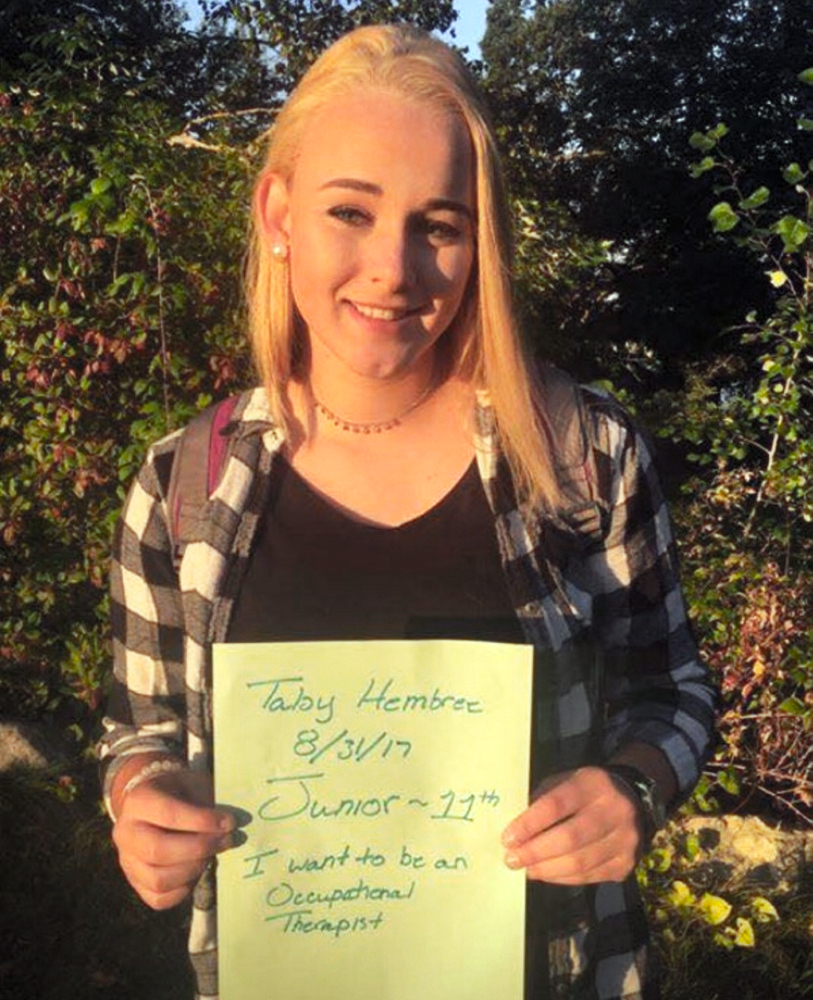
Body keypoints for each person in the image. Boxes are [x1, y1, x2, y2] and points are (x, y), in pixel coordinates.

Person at [99, 23, 716, 1000]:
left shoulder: (582, 457)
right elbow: (140, 726)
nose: (394, 268)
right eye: (351, 210)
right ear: (279, 213)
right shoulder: (181, 485)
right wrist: (138, 797)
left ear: (481, 244)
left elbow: (673, 684)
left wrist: (636, 784)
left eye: (439, 223)